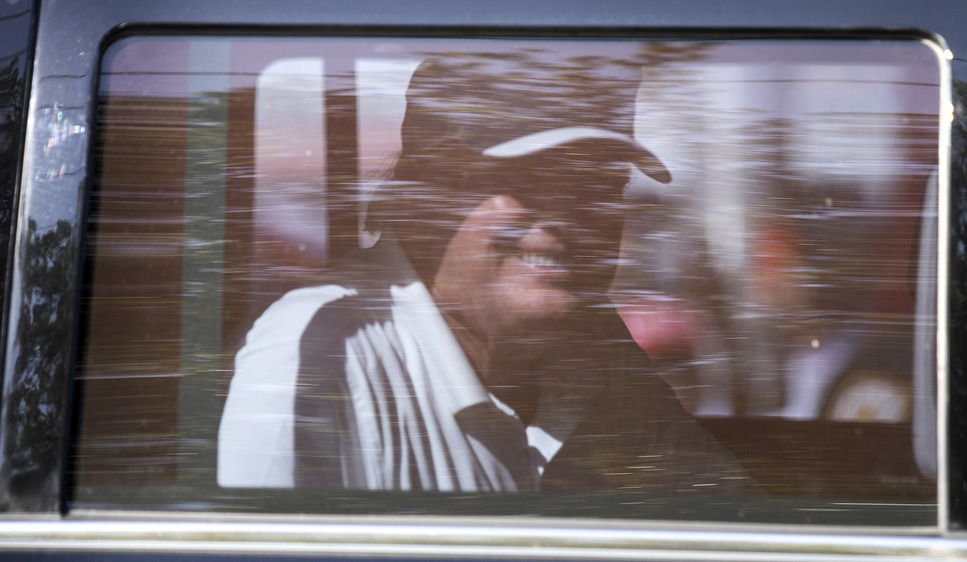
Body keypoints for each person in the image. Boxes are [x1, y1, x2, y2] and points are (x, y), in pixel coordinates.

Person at [218, 52, 755, 494]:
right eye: (528, 179)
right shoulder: (319, 351)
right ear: (431, 189)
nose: (568, 218)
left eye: (600, 186)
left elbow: (727, 516)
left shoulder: (593, 344)